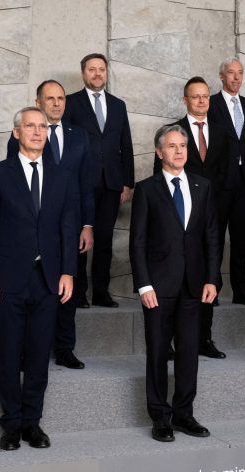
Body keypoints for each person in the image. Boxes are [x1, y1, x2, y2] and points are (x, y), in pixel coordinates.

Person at [0, 107, 79, 451]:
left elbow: (68, 228)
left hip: (48, 280)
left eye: (42, 127)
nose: (37, 132)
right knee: (9, 353)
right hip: (6, 279)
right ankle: (11, 424)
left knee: (38, 354)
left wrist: (68, 272)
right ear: (16, 132)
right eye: (30, 126)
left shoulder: (62, 176)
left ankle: (32, 423)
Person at [131, 124, 220, 442]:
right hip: (158, 286)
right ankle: (160, 417)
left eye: (183, 145)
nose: (179, 150)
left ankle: (184, 414)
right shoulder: (147, 189)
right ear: (159, 152)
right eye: (172, 146)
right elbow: (137, 242)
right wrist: (144, 285)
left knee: (189, 352)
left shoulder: (203, 186)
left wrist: (212, 279)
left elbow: (212, 236)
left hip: (194, 285)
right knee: (157, 351)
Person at [6, 80, 94, 370]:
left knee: (67, 287)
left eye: (61, 98)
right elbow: (13, 185)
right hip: (32, 227)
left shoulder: (79, 136)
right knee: (32, 289)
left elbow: (86, 183)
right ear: (38, 102)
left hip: (69, 227)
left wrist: (87, 224)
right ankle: (25, 351)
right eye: (50, 98)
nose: (57, 104)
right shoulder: (22, 136)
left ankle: (65, 348)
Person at [153, 76, 229, 359]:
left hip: (209, 217)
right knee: (174, 279)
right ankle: (169, 342)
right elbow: (158, 179)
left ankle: (203, 339)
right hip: (176, 219)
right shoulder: (172, 133)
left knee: (208, 276)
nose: (201, 101)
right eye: (195, 96)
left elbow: (227, 174)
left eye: (205, 96)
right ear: (185, 100)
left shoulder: (222, 131)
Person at [64, 53, 134, 308]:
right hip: (81, 183)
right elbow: (66, 144)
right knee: (79, 239)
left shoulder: (118, 105)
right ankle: (78, 292)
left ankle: (101, 292)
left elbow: (126, 144)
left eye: (101, 69)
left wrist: (128, 182)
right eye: (92, 69)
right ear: (83, 73)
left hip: (112, 183)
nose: (97, 74)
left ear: (106, 72)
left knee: (104, 239)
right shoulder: (71, 103)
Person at [207, 56, 245, 307]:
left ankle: (241, 290)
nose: (237, 77)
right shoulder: (211, 104)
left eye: (240, 72)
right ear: (222, 76)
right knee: (215, 237)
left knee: (240, 239)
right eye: (231, 72)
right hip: (219, 182)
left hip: (244, 182)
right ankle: (212, 289)